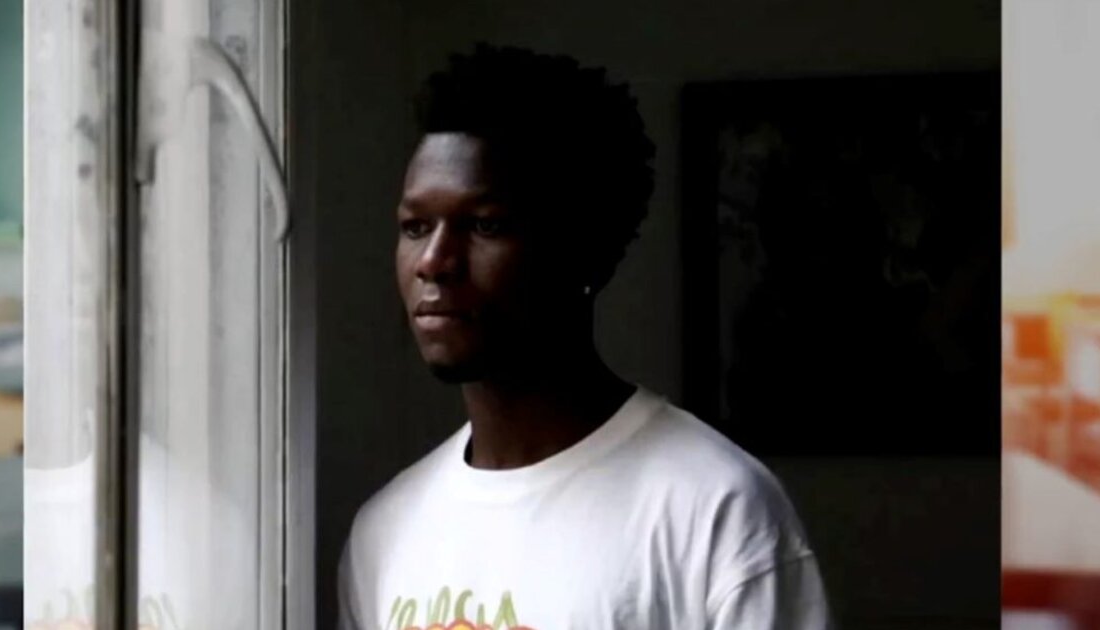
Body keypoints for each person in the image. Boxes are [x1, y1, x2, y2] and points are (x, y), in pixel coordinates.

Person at [338, 43, 830, 630]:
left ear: (584, 251)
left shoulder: (713, 508)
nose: (434, 262)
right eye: (416, 226)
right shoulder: (385, 532)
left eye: (485, 225)